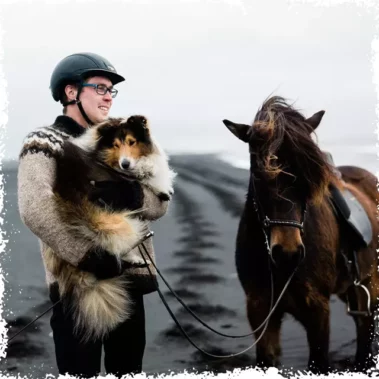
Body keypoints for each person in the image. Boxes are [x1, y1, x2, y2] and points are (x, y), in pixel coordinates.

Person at [17, 52, 170, 378]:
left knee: (129, 373)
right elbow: (35, 207)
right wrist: (86, 255)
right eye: (99, 87)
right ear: (71, 92)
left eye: (111, 90)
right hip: (78, 288)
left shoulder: (121, 141)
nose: (108, 97)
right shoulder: (44, 142)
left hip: (129, 284)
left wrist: (133, 193)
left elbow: (159, 205)